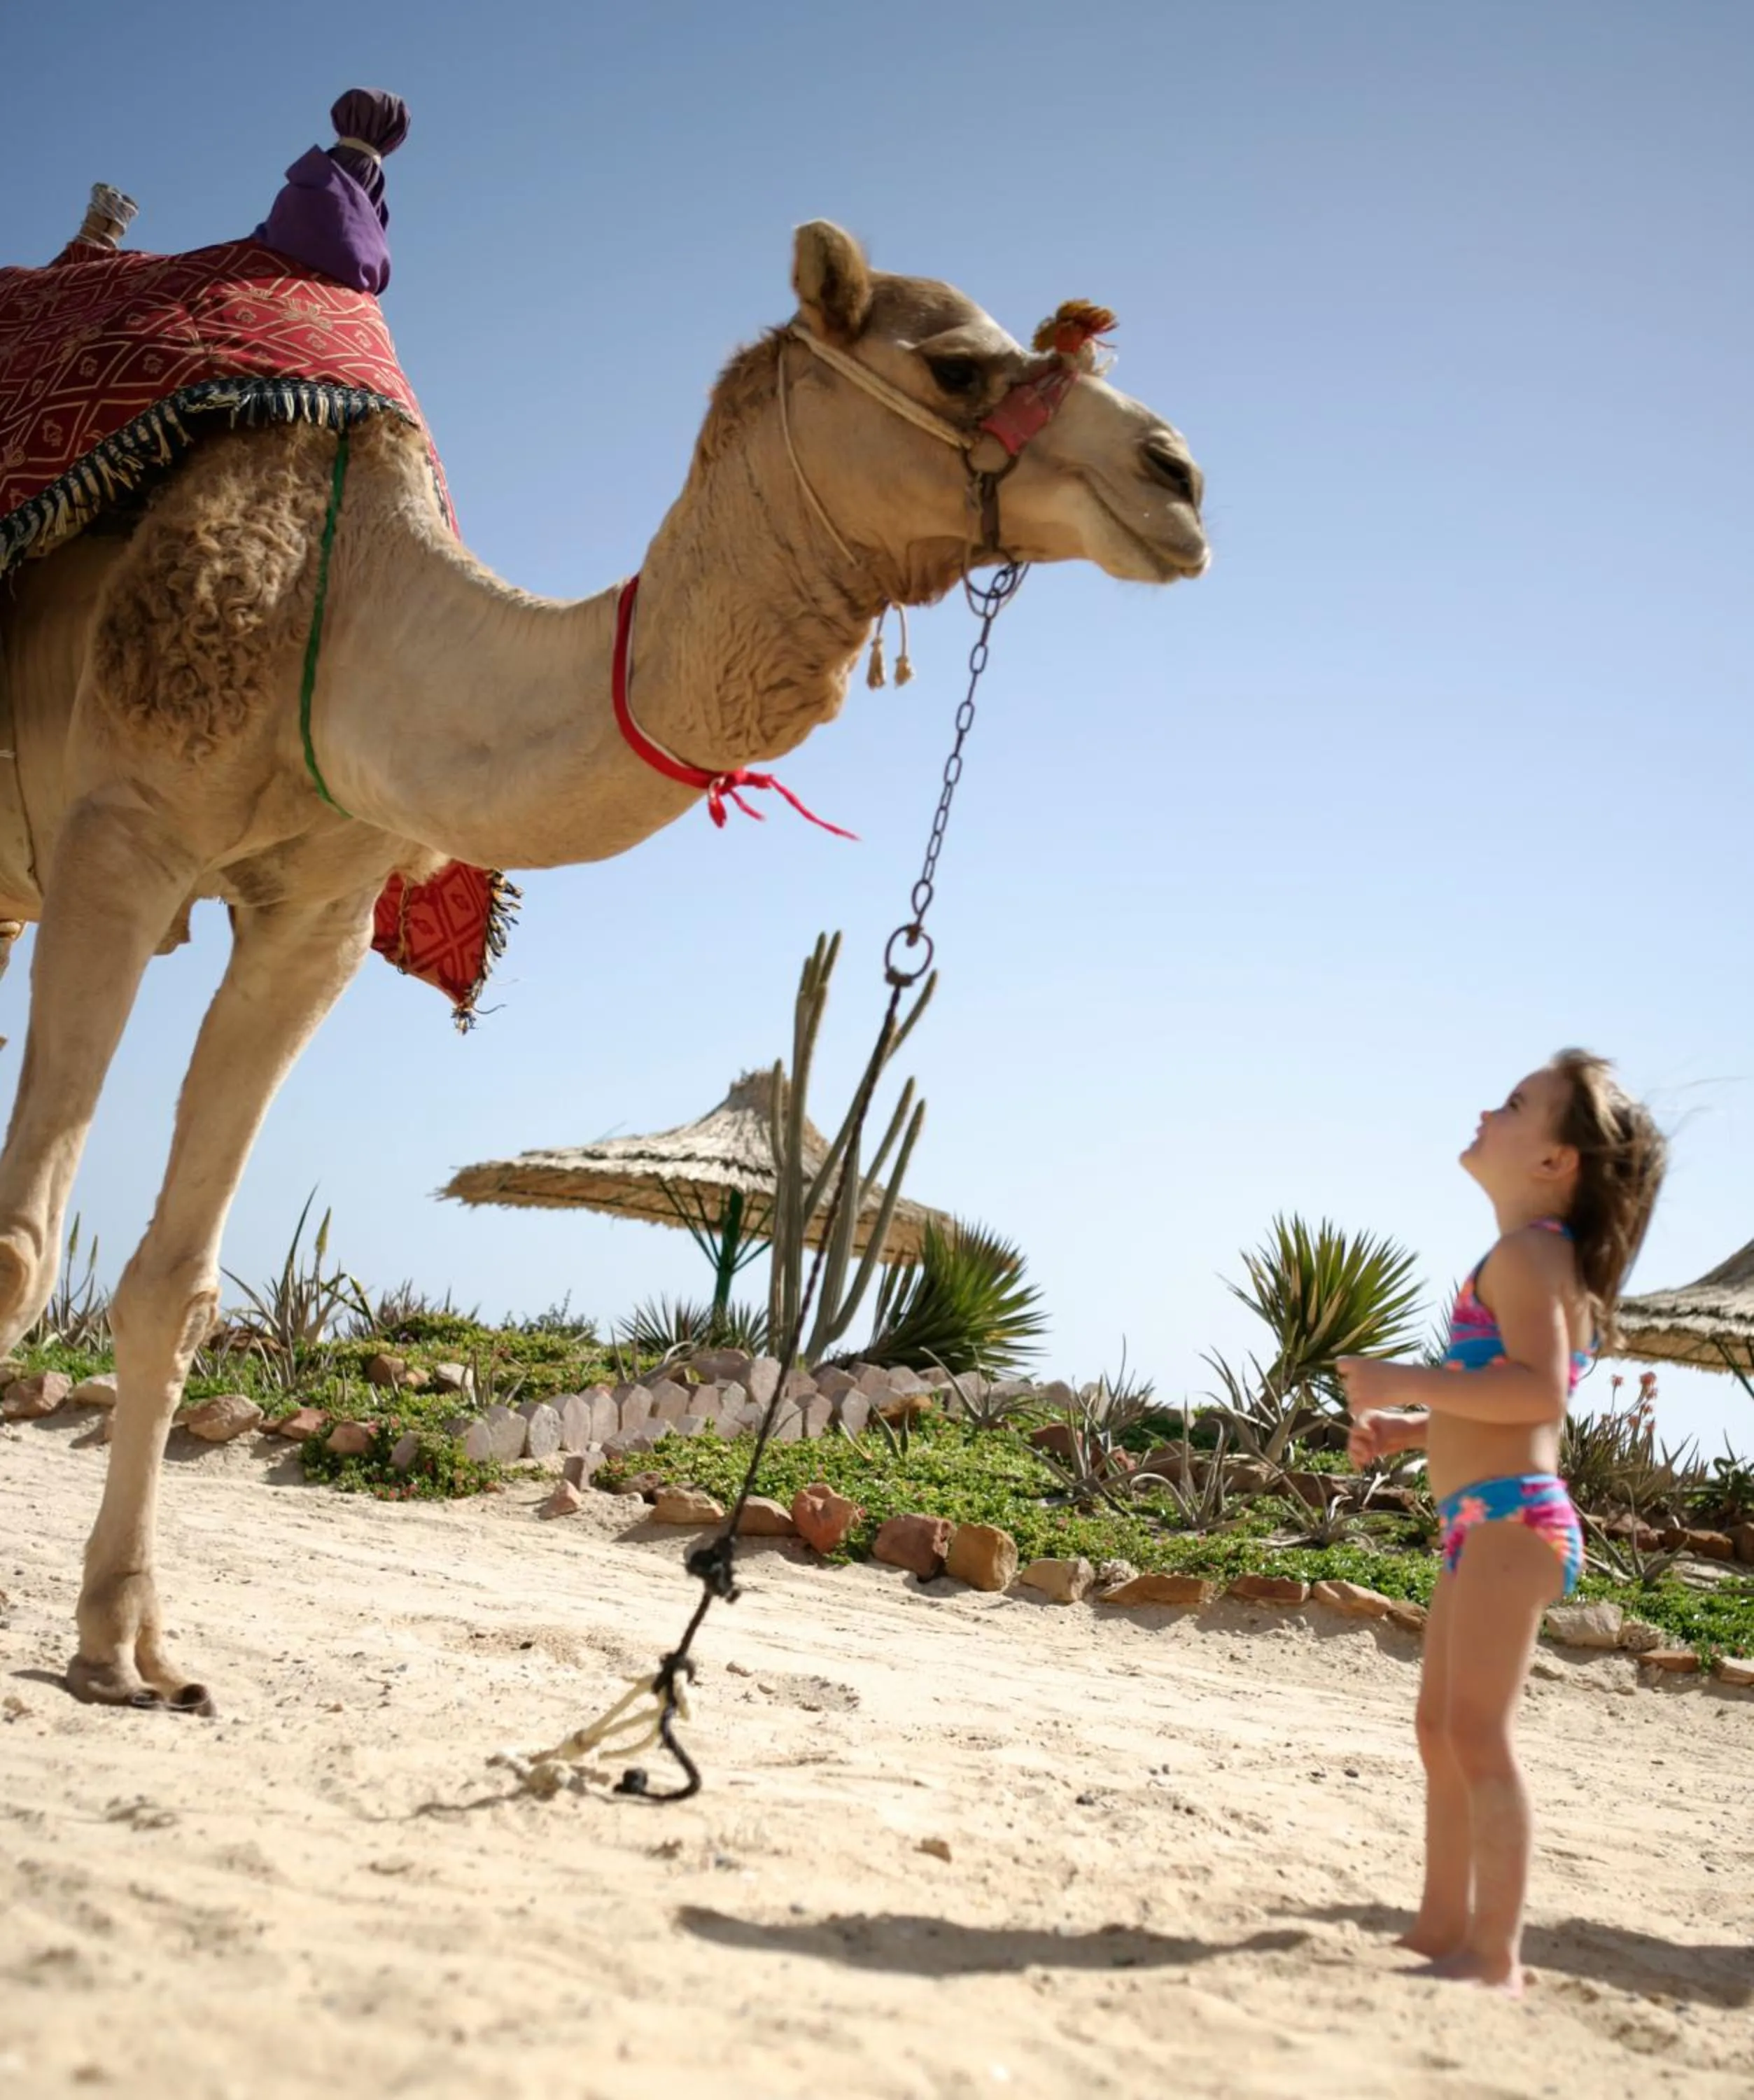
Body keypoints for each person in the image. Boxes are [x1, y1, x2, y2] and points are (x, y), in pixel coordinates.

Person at [1337, 1049, 1667, 1994]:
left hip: (1514, 1521)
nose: (1489, 1108)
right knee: (1438, 1726)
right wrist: (1412, 1427)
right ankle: (1441, 1926)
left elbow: (1535, 1397)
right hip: (1478, 1519)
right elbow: (1503, 1390)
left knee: (1475, 1731)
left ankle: (1494, 1953)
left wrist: (1403, 1377)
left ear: (1555, 1161)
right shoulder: (1522, 1256)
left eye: (1517, 1104)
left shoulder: (1530, 1255)